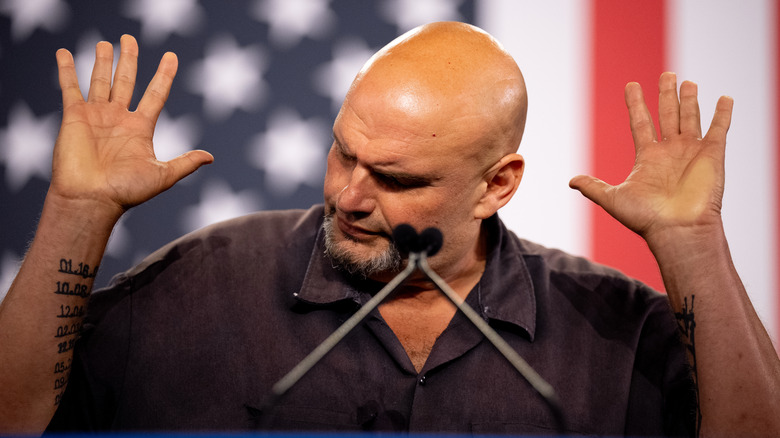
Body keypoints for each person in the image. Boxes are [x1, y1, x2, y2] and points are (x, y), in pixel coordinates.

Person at [1, 21, 778, 436]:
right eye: (343, 152)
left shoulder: (616, 331)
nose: (349, 196)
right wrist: (77, 213)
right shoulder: (197, 282)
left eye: (399, 179)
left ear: (497, 185)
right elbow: (17, 418)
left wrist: (691, 246)